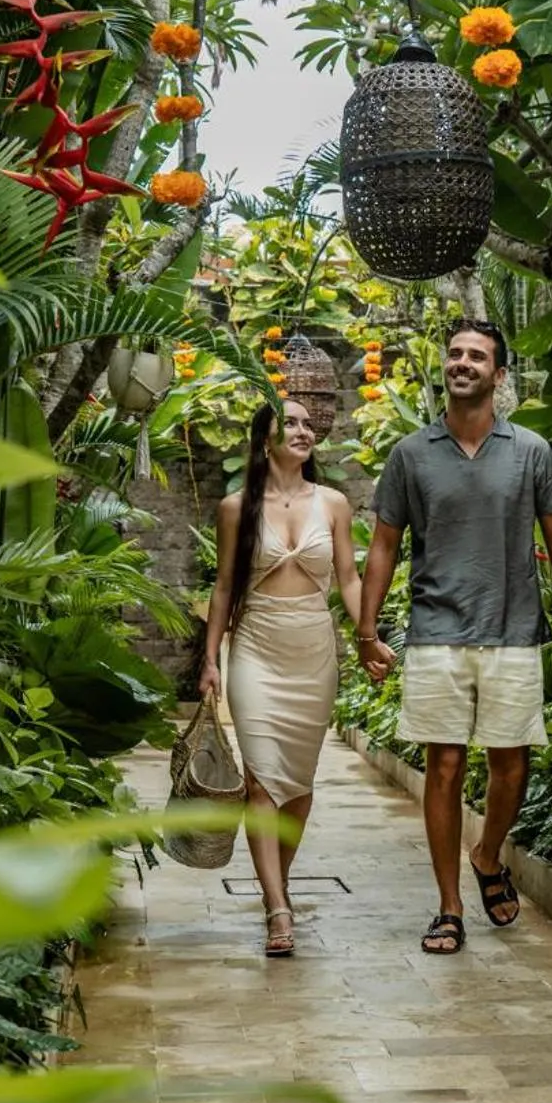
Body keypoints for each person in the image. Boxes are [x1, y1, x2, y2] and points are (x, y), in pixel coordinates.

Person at [356, 318, 552, 956]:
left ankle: (487, 853)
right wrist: (366, 627)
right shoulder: (410, 454)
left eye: (476, 356)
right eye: (455, 354)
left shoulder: (531, 451)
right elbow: (383, 544)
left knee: (511, 762)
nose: (462, 363)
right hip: (436, 631)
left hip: (513, 629)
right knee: (445, 764)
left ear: (499, 374)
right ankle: (449, 906)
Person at [201, 398, 365, 958]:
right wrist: (209, 659)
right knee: (261, 782)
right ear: (264, 439)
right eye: (289, 423)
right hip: (256, 649)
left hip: (313, 650)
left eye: (306, 423)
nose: (303, 430)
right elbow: (224, 587)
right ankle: (277, 906)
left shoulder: (335, 503)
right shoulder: (234, 507)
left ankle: (280, 886)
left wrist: (369, 634)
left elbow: (348, 578)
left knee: (298, 784)